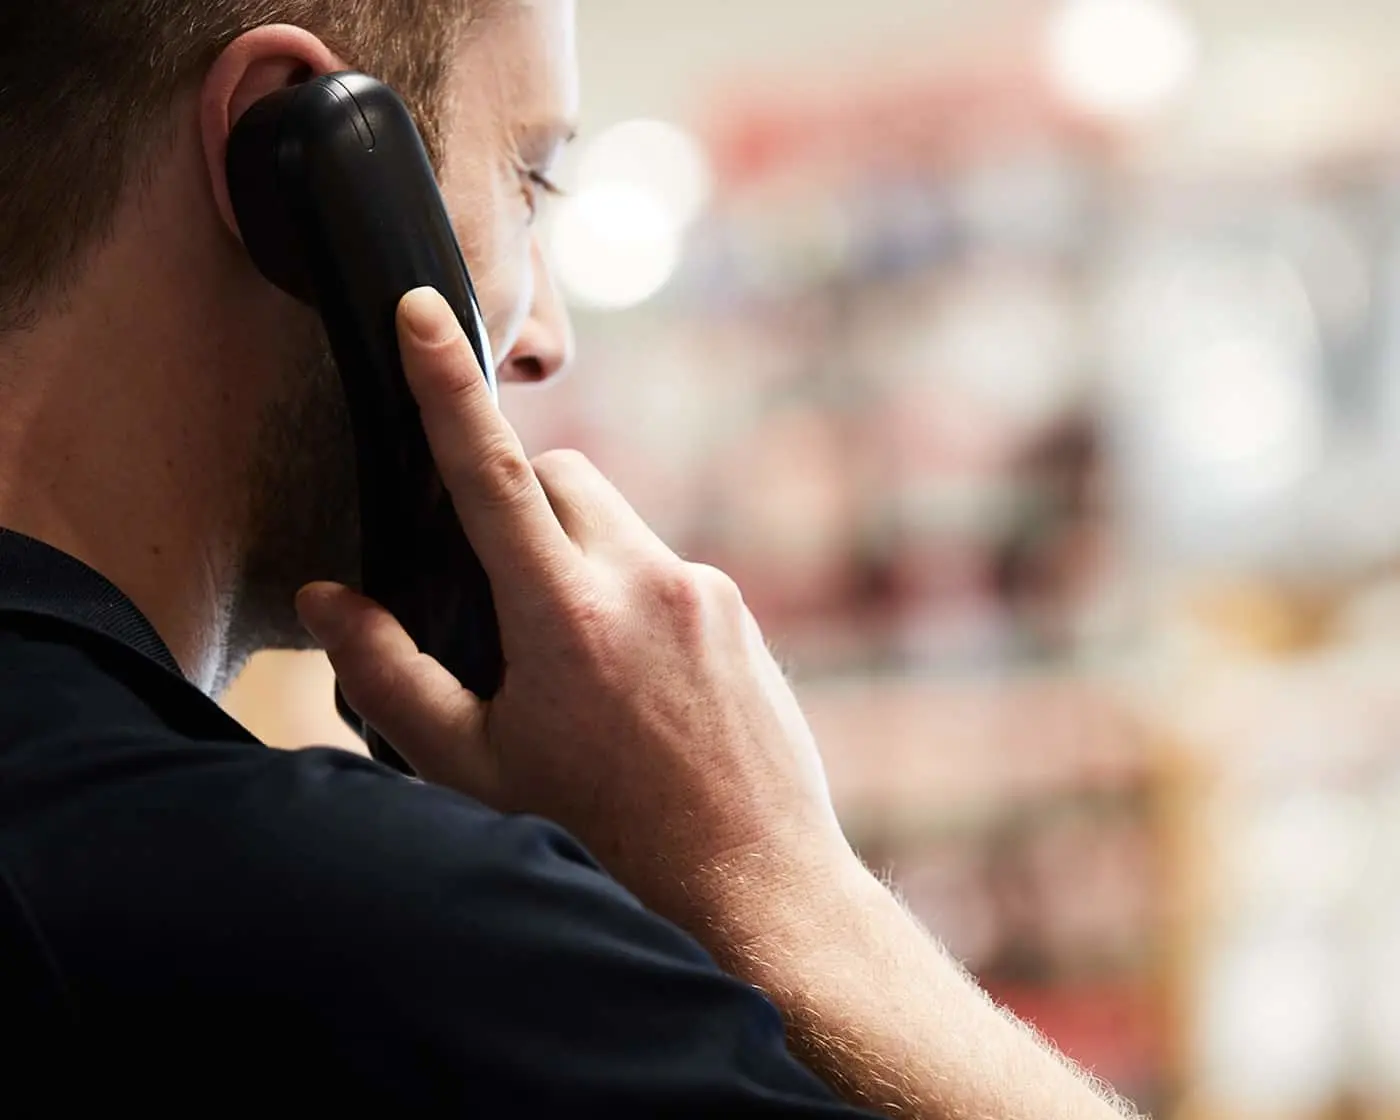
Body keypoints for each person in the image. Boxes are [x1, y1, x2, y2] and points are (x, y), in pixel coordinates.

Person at [0, 1, 1137, 1115]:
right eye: (527, 180)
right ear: (290, 160)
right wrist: (780, 891)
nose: (544, 335)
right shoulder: (367, 936)